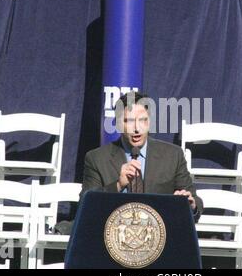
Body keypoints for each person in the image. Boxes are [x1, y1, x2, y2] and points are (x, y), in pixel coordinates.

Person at [81, 91, 203, 219]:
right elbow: (85, 205)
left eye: (142, 120)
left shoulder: (173, 155)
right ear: (118, 124)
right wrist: (118, 185)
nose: (137, 128)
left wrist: (191, 204)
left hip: (159, 233)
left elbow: (195, 201)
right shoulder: (97, 159)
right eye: (129, 121)